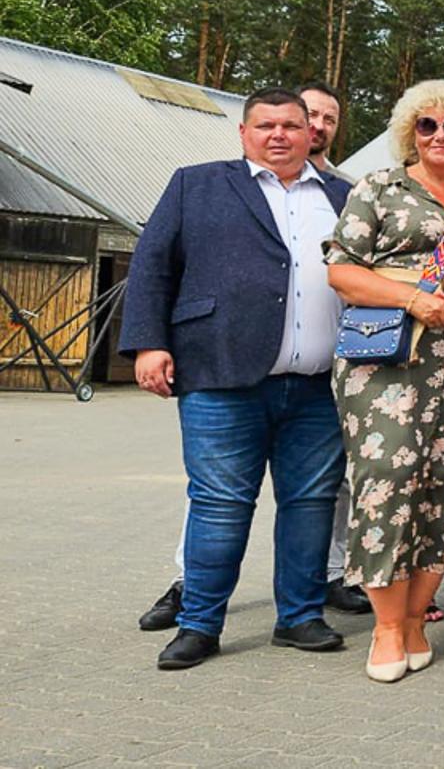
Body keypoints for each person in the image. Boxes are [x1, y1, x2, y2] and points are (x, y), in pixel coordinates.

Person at [119, 86, 354, 669]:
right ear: (244, 133)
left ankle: (299, 616)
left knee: (310, 503)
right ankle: (199, 624)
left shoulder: (346, 196)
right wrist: (149, 344)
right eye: (266, 125)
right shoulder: (195, 184)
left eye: (292, 126)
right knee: (221, 503)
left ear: (311, 133)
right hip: (220, 377)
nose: (280, 135)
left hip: (320, 385)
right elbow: (151, 266)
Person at [325, 79, 444, 682]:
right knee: (386, 481)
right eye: (427, 125)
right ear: (409, 132)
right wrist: (414, 300)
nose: (439, 136)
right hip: (387, 357)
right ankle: (384, 626)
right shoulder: (378, 188)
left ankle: (412, 619)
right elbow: (342, 272)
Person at [297, 81, 372, 617]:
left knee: (333, 477)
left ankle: (332, 573)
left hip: (336, 360)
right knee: (221, 491)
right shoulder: (218, 185)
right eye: (309, 114)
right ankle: (191, 582)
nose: (318, 125)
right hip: (249, 361)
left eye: (329, 118)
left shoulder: (352, 194)